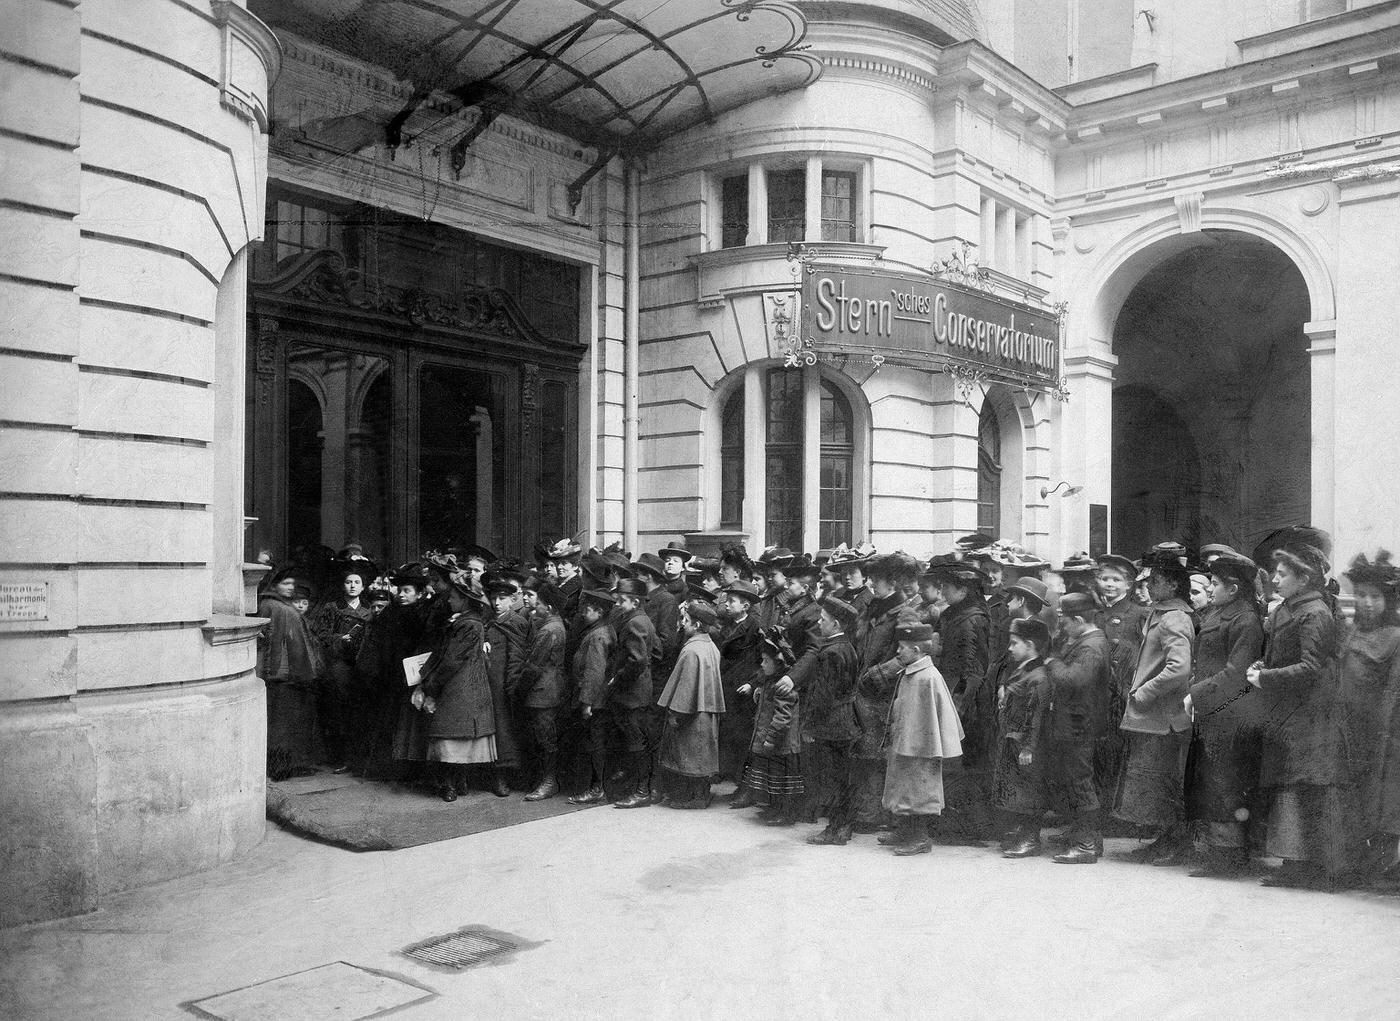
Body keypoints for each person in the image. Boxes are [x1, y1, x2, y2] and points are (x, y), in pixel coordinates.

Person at [1248, 529, 1347, 890]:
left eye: (1282, 574)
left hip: (1309, 714)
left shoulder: (1314, 612)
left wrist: (1266, 678)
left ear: (1304, 578)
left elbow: (1312, 667)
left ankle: (1313, 867)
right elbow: (1283, 654)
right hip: (1289, 711)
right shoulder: (1290, 610)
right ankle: (1294, 862)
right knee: (1289, 786)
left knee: (1304, 788)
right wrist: (1263, 665)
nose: (1274, 579)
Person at [1185, 551, 1266, 876]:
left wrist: (1195, 694)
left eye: (1216, 583)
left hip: (1232, 714)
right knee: (1215, 780)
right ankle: (1219, 850)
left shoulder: (1245, 619)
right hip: (1215, 712)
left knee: (1227, 781)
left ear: (1233, 589)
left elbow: (1236, 672)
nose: (1211, 587)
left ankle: (1229, 856)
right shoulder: (1223, 613)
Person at [1114, 544, 1196, 865]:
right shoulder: (1161, 613)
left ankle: (1175, 845)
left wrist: (1145, 693)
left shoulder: (1175, 618)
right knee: (1155, 781)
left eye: (1155, 580)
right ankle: (1163, 842)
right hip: (1156, 717)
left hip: (1165, 718)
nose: (1147, 585)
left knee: (1164, 783)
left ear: (1173, 584)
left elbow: (1180, 668)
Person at [1337, 552, 1400, 878]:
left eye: (1375, 596)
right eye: (1361, 595)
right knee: (1353, 795)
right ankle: (1357, 860)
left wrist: (1385, 733)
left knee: (1383, 799)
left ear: (1387, 600)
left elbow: (1392, 691)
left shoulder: (1395, 638)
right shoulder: (1350, 632)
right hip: (1348, 728)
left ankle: (1385, 864)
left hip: (1381, 733)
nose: (1367, 603)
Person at [849, 553, 920, 830]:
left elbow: (908, 654)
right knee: (865, 754)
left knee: (878, 755)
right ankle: (868, 810)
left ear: (891, 582)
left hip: (884, 696)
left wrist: (878, 675)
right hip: (863, 693)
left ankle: (878, 814)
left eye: (875, 580)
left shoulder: (905, 613)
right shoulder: (872, 609)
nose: (870, 584)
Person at [878, 623, 964, 855]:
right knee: (903, 788)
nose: (897, 652)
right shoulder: (911, 673)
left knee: (919, 791)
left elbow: (934, 718)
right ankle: (904, 831)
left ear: (916, 651)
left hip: (922, 747)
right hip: (905, 742)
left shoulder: (928, 677)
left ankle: (919, 837)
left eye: (903, 647)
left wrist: (924, 743)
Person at [1043, 592, 1112, 864]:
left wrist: (1053, 662)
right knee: (1074, 779)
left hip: (1080, 723)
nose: (1062, 627)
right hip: (1075, 721)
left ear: (1080, 620)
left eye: (1066, 622)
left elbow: (1073, 679)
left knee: (1081, 781)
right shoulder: (1085, 640)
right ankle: (1080, 833)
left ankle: (1087, 844)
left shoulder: (1092, 646)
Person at [929, 558, 993, 841]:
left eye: (946, 586)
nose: (941, 591)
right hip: (955, 694)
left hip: (968, 703)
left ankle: (974, 828)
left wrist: (957, 709)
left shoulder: (972, 620)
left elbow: (973, 671)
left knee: (965, 763)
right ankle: (958, 824)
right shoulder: (955, 614)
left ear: (964, 590)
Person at [416, 573, 495, 803]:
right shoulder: (463, 621)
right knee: (457, 737)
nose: (449, 601)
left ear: (464, 600)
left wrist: (431, 685)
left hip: (460, 686)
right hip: (464, 684)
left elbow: (451, 659)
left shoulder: (468, 625)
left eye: (453, 597)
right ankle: (458, 782)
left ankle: (451, 784)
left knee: (451, 736)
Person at [306, 557, 377, 772]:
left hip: (361, 667)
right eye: (349, 582)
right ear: (342, 585)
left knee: (360, 713)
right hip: (338, 667)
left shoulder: (369, 610)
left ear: (363, 586)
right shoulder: (332, 608)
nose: (353, 586)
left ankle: (357, 759)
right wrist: (339, 639)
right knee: (338, 713)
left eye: (357, 582)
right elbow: (320, 634)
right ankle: (339, 758)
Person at [656, 599, 727, 808]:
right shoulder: (710, 646)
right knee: (701, 755)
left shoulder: (691, 650)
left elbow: (686, 688)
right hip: (707, 709)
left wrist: (675, 714)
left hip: (692, 712)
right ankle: (701, 794)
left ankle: (693, 799)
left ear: (696, 625)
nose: (682, 624)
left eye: (686, 620)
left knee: (689, 755)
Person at [803, 597, 863, 846]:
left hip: (830, 724)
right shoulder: (847, 647)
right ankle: (843, 828)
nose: (819, 622)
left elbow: (822, 695)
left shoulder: (830, 652)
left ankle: (832, 829)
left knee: (831, 778)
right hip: (846, 721)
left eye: (823, 620)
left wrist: (808, 724)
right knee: (844, 777)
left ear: (836, 624)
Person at [1093, 553, 1150, 805]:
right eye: (1105, 578)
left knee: (1118, 751)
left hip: (1123, 693)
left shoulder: (1139, 614)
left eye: (1116, 580)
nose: (1109, 584)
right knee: (1097, 752)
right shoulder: (1097, 615)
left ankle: (1113, 810)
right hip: (1096, 694)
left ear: (1129, 585)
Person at [258, 567, 323, 780]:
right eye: (285, 584)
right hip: (284, 675)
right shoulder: (277, 608)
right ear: (275, 585)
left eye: (292, 584)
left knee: (287, 723)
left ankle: (288, 765)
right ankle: (281, 768)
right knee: (282, 725)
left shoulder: (276, 606)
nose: (290, 588)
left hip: (284, 674)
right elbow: (288, 645)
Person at [995, 617, 1051, 858]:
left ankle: (1031, 839)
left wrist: (1028, 748)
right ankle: (1022, 834)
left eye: (1014, 643)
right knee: (1017, 791)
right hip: (1013, 740)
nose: (1010, 648)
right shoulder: (1024, 670)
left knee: (1029, 792)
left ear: (1029, 644)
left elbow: (1036, 717)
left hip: (1024, 745)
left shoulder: (1038, 677)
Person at [606, 578, 660, 808]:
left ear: (634, 601)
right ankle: (644, 788)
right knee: (639, 740)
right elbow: (657, 652)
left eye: (621, 600)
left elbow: (637, 660)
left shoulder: (634, 623)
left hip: (631, 693)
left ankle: (641, 792)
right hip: (642, 690)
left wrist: (617, 677)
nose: (618, 604)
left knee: (635, 742)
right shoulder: (644, 619)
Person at [742, 632, 804, 825]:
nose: (762, 665)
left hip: (781, 744)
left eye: (765, 661)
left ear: (778, 664)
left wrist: (771, 738)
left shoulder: (783, 686)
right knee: (773, 779)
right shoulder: (770, 682)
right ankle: (775, 809)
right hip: (774, 743)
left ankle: (785, 814)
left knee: (781, 781)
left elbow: (783, 717)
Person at [517, 582, 568, 801]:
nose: (533, 606)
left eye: (537, 603)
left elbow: (533, 666)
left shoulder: (549, 630)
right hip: (548, 689)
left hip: (543, 692)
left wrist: (519, 689)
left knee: (545, 738)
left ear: (547, 607)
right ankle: (545, 779)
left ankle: (549, 782)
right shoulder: (554, 624)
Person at [566, 589, 617, 804]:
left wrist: (586, 703)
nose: (583, 613)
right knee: (596, 743)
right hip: (599, 699)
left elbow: (594, 672)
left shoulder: (598, 635)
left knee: (595, 744)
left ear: (598, 611)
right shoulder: (602, 630)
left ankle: (597, 788)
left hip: (595, 701)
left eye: (587, 609)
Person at [482, 572, 527, 797]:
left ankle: (504, 776)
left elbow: (518, 656)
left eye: (502, 598)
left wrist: (512, 685)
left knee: (505, 731)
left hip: (505, 685)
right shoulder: (488, 622)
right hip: (487, 683)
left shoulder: (517, 623)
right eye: (494, 598)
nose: (497, 603)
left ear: (512, 600)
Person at [716, 580, 763, 795]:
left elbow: (764, 660)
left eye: (732, 601)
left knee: (743, 738)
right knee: (728, 734)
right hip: (727, 686)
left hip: (743, 690)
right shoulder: (728, 625)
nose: (727, 604)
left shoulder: (754, 627)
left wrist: (752, 683)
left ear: (745, 606)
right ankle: (731, 776)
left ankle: (745, 787)